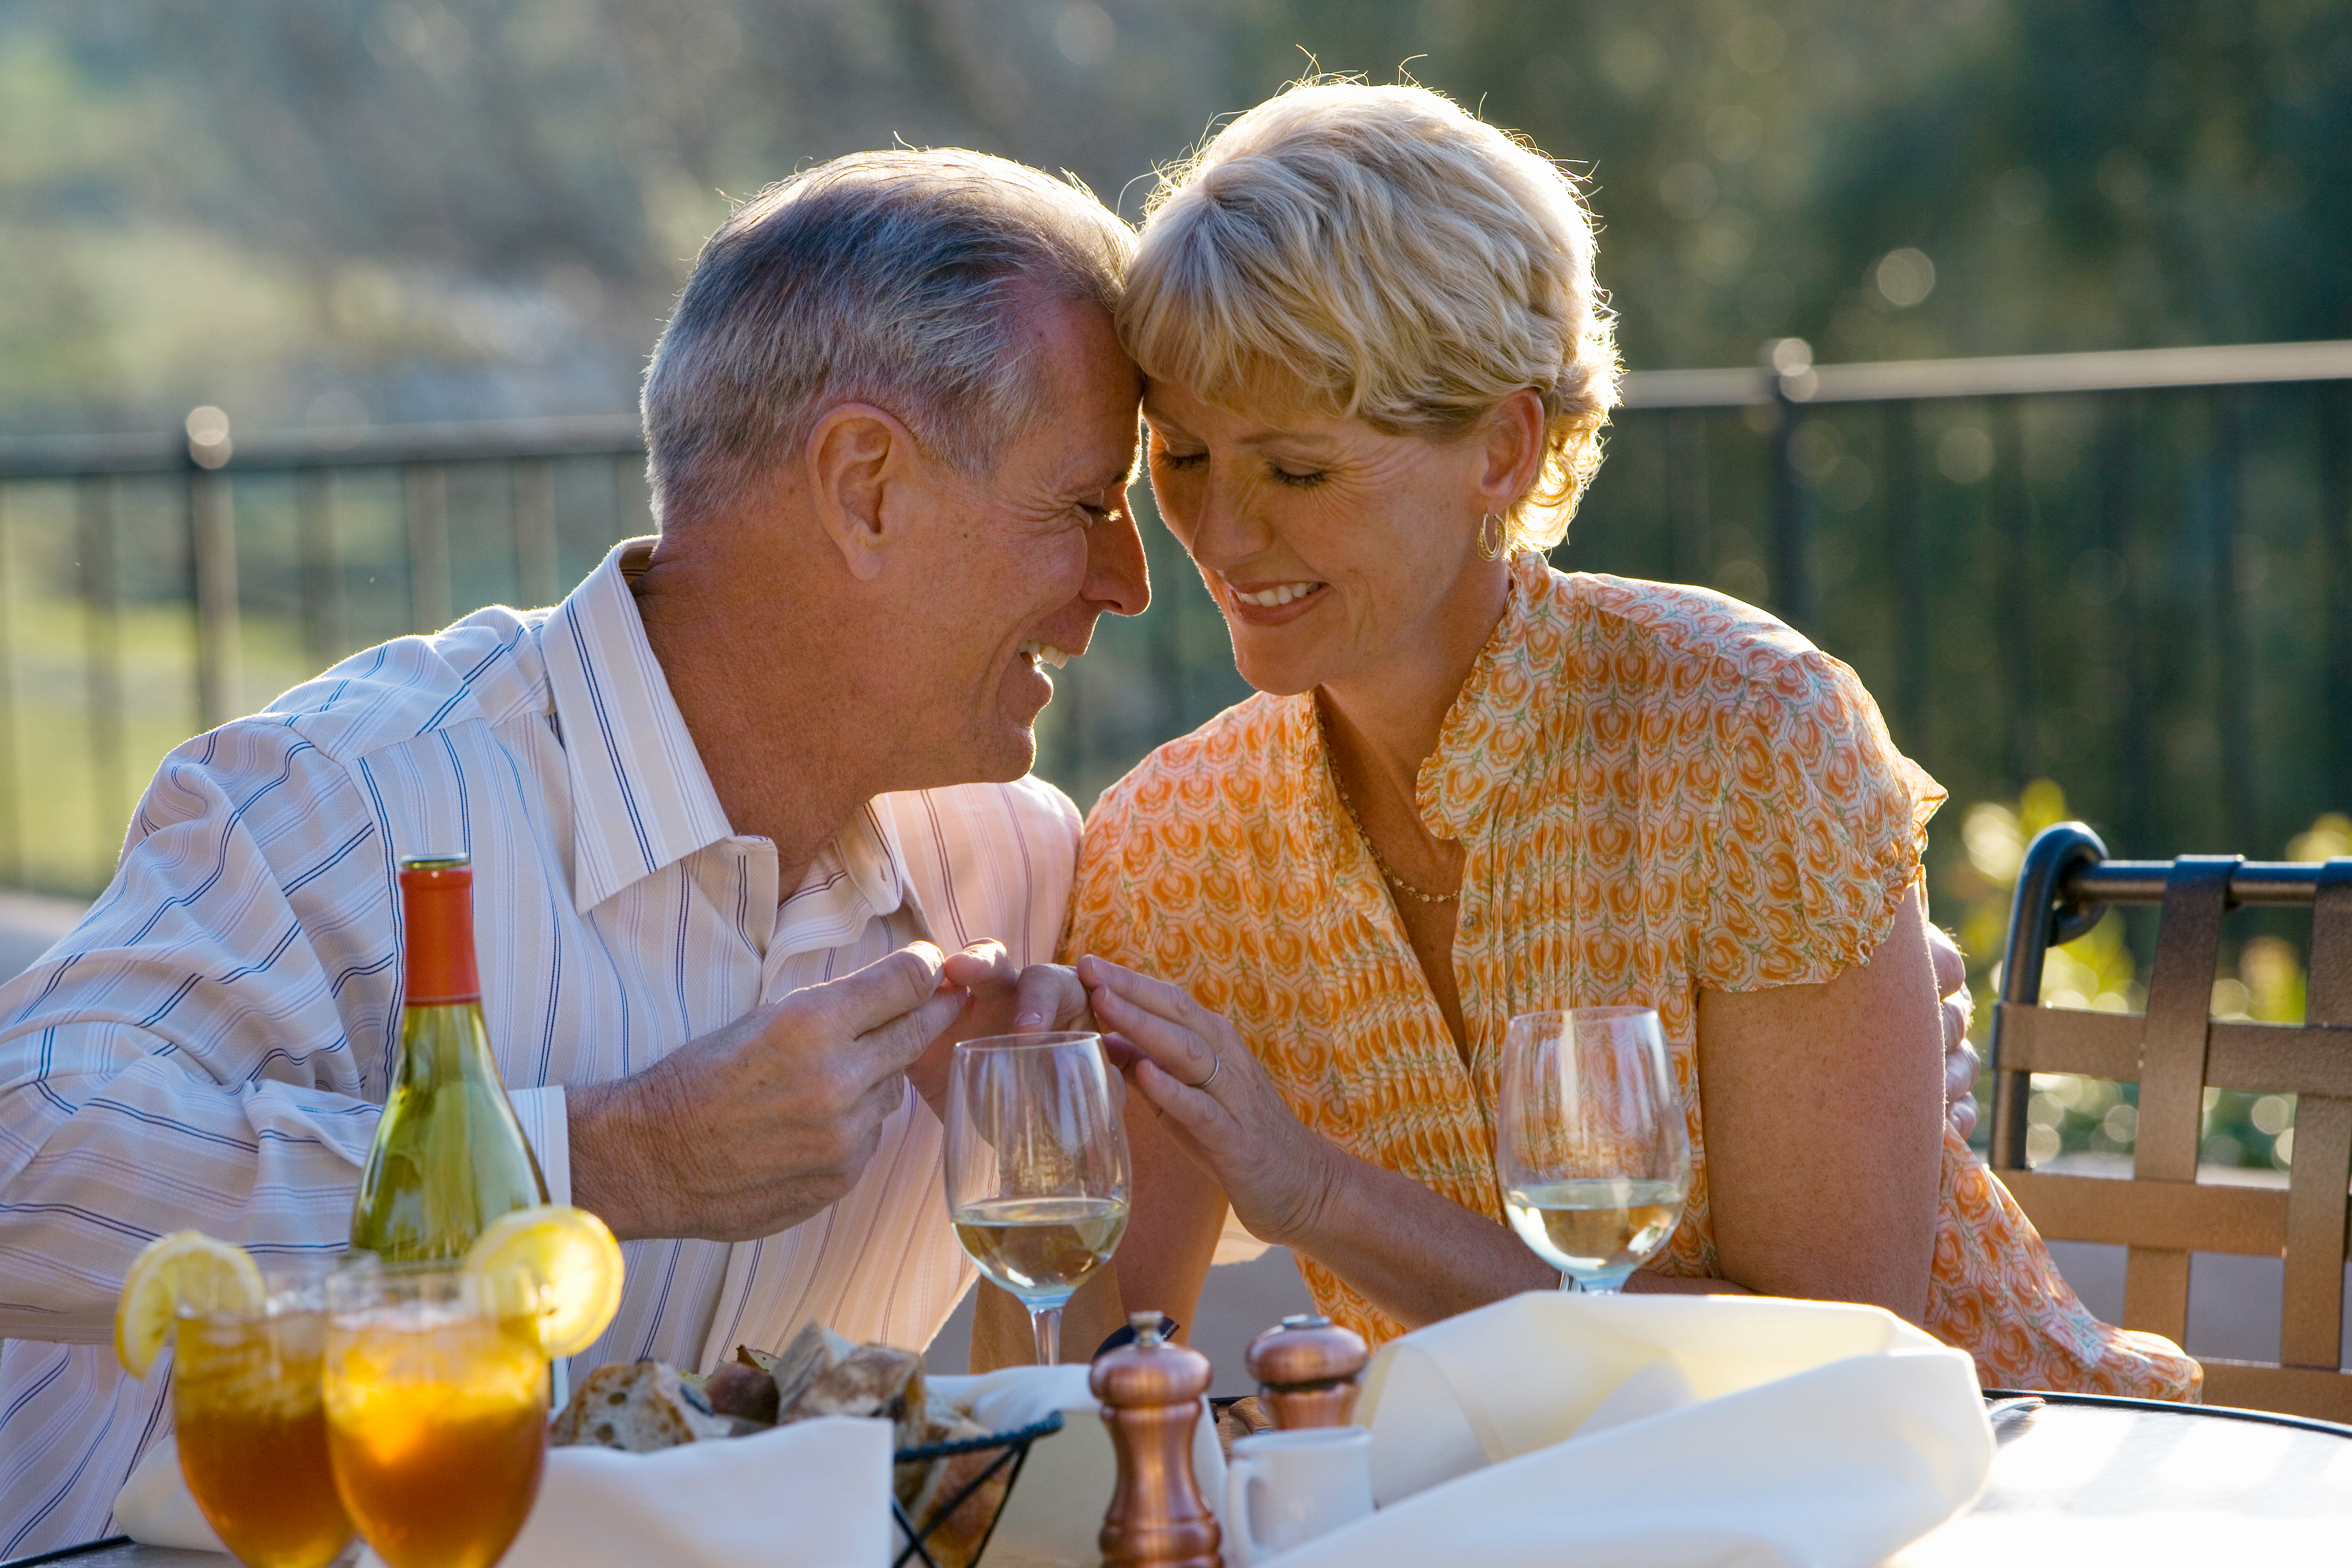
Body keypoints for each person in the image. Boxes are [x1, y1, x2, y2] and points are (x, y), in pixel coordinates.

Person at [0, 149, 1142, 1557]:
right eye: (1086, 505)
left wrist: (1070, 1114)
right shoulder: (356, 797)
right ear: (866, 485)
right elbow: (21, 1158)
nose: (1127, 583)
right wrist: (604, 1158)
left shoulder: (1016, 872)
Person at [1052, 81, 2198, 1399]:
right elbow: (1096, 1381)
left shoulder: (1750, 735)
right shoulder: (1164, 846)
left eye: (1296, 471)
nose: (1222, 533)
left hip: (1971, 1488)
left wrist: (1318, 1189)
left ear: (1503, 447)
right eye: (1183, 456)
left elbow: (1828, 1363)